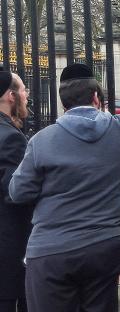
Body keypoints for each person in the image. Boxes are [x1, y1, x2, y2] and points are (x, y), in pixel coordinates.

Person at [9, 63, 120, 312]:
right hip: (104, 244)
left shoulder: (41, 140)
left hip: (52, 250)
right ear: (96, 98)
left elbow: (18, 192)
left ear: (63, 102)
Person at [0, 68, 30, 312]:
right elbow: (16, 193)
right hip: (8, 253)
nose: (26, 94)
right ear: (11, 96)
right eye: (22, 89)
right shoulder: (10, 138)